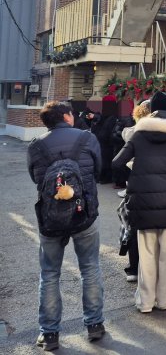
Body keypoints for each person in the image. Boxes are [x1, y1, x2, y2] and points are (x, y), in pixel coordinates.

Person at [27, 101, 105, 350]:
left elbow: (36, 179)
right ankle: (94, 325)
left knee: (50, 274)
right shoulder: (87, 138)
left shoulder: (36, 146)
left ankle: (49, 334)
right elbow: (98, 172)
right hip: (84, 215)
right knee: (90, 268)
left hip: (51, 219)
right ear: (67, 116)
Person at [112, 90, 166, 313]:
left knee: (147, 254)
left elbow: (116, 163)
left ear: (152, 110)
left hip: (142, 202)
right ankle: (165, 300)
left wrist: (135, 180)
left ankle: (146, 302)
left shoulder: (139, 134)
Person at [119, 100, 152, 283]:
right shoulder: (163, 133)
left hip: (134, 185)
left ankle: (133, 267)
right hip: (156, 185)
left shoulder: (131, 133)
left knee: (133, 226)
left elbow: (118, 162)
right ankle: (146, 269)